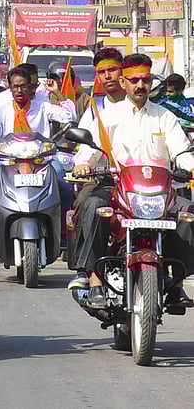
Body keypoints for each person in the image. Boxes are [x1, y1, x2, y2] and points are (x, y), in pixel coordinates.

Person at [72, 54, 194, 310]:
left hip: (161, 193)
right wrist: (84, 164)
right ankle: (94, 279)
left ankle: (176, 283)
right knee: (94, 206)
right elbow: (91, 150)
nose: (141, 86)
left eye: (145, 80)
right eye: (135, 80)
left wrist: (191, 166)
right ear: (124, 82)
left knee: (188, 214)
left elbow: (181, 152)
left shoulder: (164, 117)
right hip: (118, 189)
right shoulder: (107, 116)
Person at [0, 65, 75, 251]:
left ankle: (63, 233)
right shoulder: (2, 110)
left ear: (31, 87)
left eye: (23, 86)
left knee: (63, 185)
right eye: (15, 86)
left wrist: (58, 94)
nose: (19, 90)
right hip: (8, 161)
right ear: (9, 87)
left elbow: (68, 116)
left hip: (42, 160)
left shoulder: (43, 106)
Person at [66, 47, 126, 289]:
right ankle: (88, 269)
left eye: (113, 70)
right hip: (106, 179)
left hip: (144, 183)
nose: (108, 76)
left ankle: (173, 280)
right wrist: (83, 164)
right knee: (87, 203)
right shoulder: (96, 109)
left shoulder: (148, 108)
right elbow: (88, 146)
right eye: (103, 72)